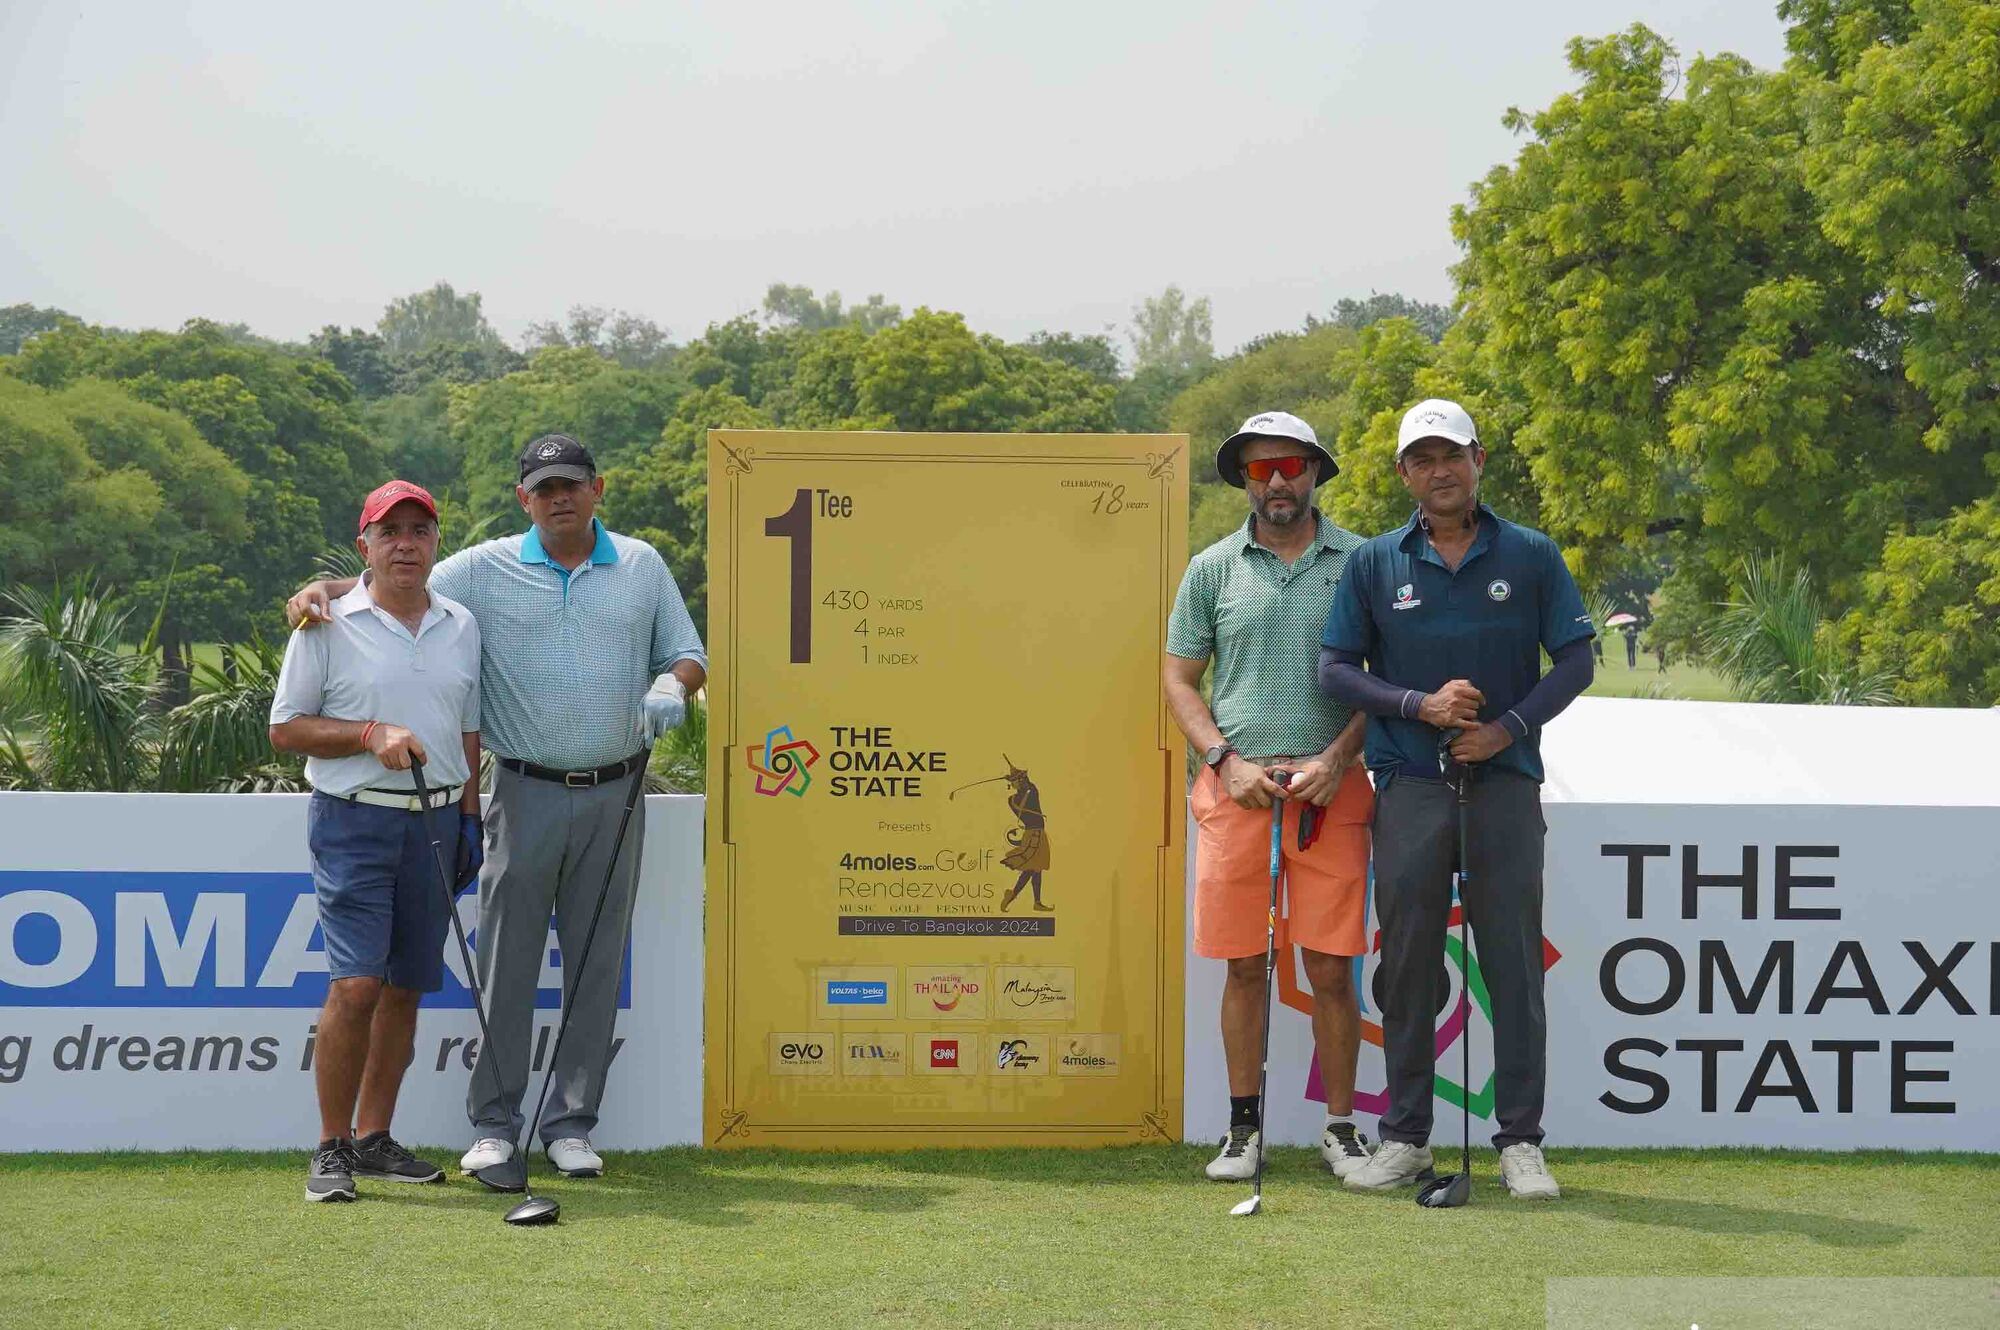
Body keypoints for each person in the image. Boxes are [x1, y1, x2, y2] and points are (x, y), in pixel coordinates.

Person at [286, 434, 705, 1180]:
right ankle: (496, 1125)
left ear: (597, 488)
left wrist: (675, 683)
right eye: (544, 489)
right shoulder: (484, 567)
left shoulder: (640, 564)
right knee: (506, 963)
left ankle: (571, 1123)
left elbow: (687, 649)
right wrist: (319, 590)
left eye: (571, 484)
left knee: (595, 963)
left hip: (616, 789)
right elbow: (391, 581)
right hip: (522, 786)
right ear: (525, 499)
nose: (559, 498)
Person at [1319, 398, 1592, 1200]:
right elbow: (1336, 670)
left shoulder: (1532, 554)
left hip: (1503, 783)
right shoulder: (1374, 563)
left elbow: (1574, 661)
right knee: (1404, 966)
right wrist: (1420, 707)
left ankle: (1521, 1143)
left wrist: (1506, 729)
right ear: (1404, 473)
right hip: (1409, 783)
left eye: (1452, 455)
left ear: (1479, 460)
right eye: (1422, 459)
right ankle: (1404, 1137)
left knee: (1513, 963)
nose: (1439, 470)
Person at [1164, 409, 1376, 1185]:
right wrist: (1223, 760)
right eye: (1261, 470)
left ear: (1316, 470)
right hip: (1237, 789)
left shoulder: (1362, 562)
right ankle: (1242, 1129)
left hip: (1333, 788)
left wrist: (1337, 755)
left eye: (1291, 465)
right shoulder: (1212, 568)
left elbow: (1379, 682)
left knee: (1330, 965)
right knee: (1244, 965)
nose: (1278, 481)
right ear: (1245, 481)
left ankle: (1343, 1130)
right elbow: (1180, 680)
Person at [270, 479, 483, 1203]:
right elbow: (286, 727)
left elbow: (468, 730)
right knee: (356, 985)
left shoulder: (461, 622)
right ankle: (330, 1148)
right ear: (364, 545)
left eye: (419, 531)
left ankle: (375, 1140)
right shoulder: (325, 623)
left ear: (434, 544)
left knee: (403, 990)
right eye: (389, 532)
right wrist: (367, 734)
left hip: (437, 821)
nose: (405, 544)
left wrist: (471, 818)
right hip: (354, 819)